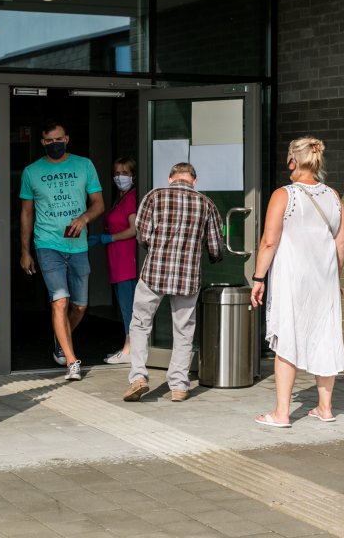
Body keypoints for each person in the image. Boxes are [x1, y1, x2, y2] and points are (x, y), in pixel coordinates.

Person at [250, 136, 344, 429]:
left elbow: (269, 242)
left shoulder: (284, 195)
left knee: (287, 338)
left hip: (292, 279)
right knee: (325, 337)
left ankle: (282, 413)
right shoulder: (333, 196)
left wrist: (258, 277)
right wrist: (335, 277)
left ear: (293, 161)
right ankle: (325, 407)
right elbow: (341, 243)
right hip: (325, 280)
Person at [122, 162, 224, 403]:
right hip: (187, 277)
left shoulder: (154, 196)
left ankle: (138, 377)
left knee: (140, 325)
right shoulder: (206, 203)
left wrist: (157, 249)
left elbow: (143, 235)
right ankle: (178, 385)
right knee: (184, 330)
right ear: (194, 181)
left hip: (154, 274)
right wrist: (214, 257)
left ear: (170, 178)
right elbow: (215, 245)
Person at [19, 120, 105, 381]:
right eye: (48, 141)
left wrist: (84, 219)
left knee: (79, 306)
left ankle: (60, 339)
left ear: (66, 139)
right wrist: (25, 251)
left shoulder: (84, 165)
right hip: (47, 244)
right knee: (60, 300)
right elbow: (26, 212)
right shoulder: (31, 172)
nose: (53, 144)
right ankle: (71, 360)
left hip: (78, 246)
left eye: (58, 139)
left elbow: (98, 203)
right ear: (42, 142)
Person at [88, 157, 138, 365]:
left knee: (129, 306)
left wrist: (109, 238)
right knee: (124, 304)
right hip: (117, 261)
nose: (120, 177)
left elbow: (134, 229)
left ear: (133, 176)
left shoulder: (132, 198)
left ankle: (129, 350)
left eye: (125, 173)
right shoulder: (121, 198)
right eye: (117, 173)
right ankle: (128, 347)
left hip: (127, 261)